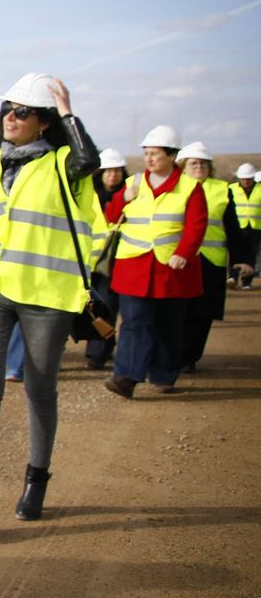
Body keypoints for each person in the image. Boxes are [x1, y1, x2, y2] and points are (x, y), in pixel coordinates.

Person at [0, 72, 99, 529]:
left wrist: (69, 112)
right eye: (8, 109)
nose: (11, 116)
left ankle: (36, 480)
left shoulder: (64, 163)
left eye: (23, 111)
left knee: (39, 388)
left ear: (44, 123)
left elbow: (88, 159)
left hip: (46, 293)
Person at [103, 126, 207, 398]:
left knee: (168, 325)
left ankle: (164, 375)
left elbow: (196, 226)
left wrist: (183, 253)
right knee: (134, 322)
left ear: (172, 155)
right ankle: (126, 376)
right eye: (146, 153)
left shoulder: (190, 187)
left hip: (171, 270)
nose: (149, 159)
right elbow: (111, 218)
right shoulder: (133, 183)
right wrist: (122, 200)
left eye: (155, 154)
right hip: (134, 268)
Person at [176, 143, 251, 372]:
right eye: (194, 163)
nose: (199, 167)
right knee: (178, 312)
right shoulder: (174, 188)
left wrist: (243, 258)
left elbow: (233, 227)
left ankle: (189, 357)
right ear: (182, 167)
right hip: (180, 259)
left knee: (202, 313)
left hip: (211, 261)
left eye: (203, 163)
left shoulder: (221, 190)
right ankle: (171, 356)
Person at [84, 148, 128, 370]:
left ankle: (100, 351)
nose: (113, 175)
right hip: (90, 261)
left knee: (110, 306)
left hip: (117, 261)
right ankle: (98, 346)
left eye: (117, 171)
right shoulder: (90, 196)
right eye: (109, 171)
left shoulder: (131, 196)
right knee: (93, 307)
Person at [231, 163, 260, 288]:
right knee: (235, 253)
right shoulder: (231, 189)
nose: (245, 181)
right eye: (243, 179)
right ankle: (232, 278)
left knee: (251, 255)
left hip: (255, 227)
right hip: (237, 227)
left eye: (248, 179)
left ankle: (246, 282)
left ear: (253, 178)